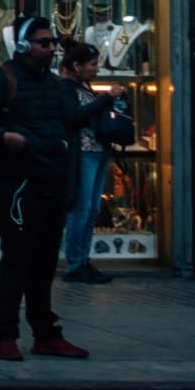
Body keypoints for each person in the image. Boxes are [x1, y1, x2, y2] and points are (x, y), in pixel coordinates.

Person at [0, 13, 89, 361]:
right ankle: (5, 334)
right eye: (44, 42)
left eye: (53, 43)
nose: (51, 48)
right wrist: (3, 137)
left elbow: (70, 124)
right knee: (17, 260)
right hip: (17, 183)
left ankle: (45, 333)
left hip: (51, 180)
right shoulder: (3, 79)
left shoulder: (57, 84)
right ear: (23, 45)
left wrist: (102, 105)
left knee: (44, 262)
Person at [57, 36, 138, 285]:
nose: (96, 69)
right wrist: (105, 99)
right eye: (91, 64)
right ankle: (74, 263)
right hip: (82, 154)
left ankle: (83, 259)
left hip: (96, 152)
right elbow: (72, 117)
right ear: (77, 66)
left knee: (92, 209)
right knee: (81, 210)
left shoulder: (84, 88)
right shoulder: (65, 88)